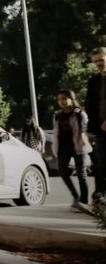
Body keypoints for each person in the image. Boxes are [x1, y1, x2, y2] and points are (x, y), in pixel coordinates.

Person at [53, 90, 94, 214]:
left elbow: (86, 128)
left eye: (64, 98)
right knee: (63, 171)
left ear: (71, 98)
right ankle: (76, 197)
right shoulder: (57, 114)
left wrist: (91, 139)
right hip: (63, 147)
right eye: (59, 99)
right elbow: (56, 131)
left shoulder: (79, 113)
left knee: (81, 174)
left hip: (78, 146)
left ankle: (84, 202)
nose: (62, 101)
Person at [84, 46, 106, 203]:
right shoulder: (93, 81)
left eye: (102, 60)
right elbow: (90, 105)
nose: (99, 64)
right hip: (100, 129)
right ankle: (100, 194)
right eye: (96, 62)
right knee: (101, 162)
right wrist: (90, 129)